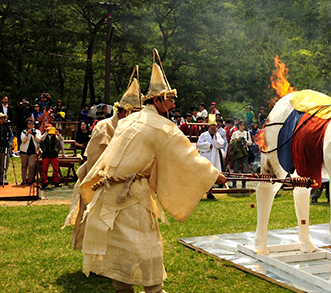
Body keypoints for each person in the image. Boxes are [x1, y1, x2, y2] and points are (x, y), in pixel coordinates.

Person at [69, 52, 227, 293]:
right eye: (171, 100)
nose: (174, 105)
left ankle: (126, 289)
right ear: (161, 100)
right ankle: (154, 290)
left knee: (121, 251)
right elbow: (186, 156)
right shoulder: (162, 126)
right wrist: (213, 174)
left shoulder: (128, 122)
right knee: (148, 249)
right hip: (131, 197)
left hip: (109, 194)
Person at [63, 65, 144, 252]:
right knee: (96, 223)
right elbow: (95, 163)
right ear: (125, 112)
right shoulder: (103, 128)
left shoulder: (131, 129)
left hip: (120, 183)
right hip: (98, 182)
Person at [229, 121, 252, 188]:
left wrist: (246, 142)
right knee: (235, 170)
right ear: (238, 126)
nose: (242, 126)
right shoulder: (235, 133)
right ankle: (234, 185)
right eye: (241, 125)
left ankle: (243, 185)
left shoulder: (247, 133)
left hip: (244, 153)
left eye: (243, 125)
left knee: (244, 170)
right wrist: (237, 140)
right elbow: (231, 142)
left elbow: (250, 143)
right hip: (237, 153)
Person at [19, 118, 40, 185]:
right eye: (29, 123)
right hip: (24, 151)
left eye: (32, 123)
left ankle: (30, 178)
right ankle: (24, 179)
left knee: (31, 165)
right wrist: (27, 134)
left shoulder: (37, 131)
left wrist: (34, 135)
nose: (31, 125)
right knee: (24, 165)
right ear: (27, 124)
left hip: (33, 151)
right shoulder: (23, 132)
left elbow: (39, 140)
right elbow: (23, 141)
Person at [0, 113, 13, 185]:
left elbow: (11, 136)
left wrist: (9, 142)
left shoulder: (7, 127)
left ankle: (3, 178)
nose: (3, 120)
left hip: (5, 147)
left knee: (4, 164)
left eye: (3, 118)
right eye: (1, 118)